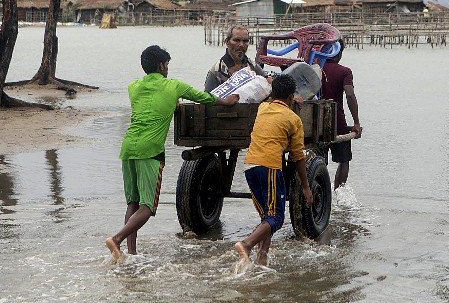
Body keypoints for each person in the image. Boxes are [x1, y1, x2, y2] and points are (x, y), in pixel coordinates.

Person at [106, 45, 238, 263]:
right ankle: (117, 239)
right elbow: (205, 97)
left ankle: (130, 253)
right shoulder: (173, 86)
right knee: (147, 208)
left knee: (133, 203)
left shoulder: (134, 87)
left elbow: (153, 105)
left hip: (128, 148)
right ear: (161, 65)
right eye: (167, 65)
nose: (168, 69)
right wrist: (227, 101)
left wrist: (171, 104)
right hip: (150, 151)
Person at [234, 74, 313, 266]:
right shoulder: (293, 119)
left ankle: (262, 257)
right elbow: (298, 157)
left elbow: (270, 99)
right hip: (268, 167)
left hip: (249, 166)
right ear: (291, 97)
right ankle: (246, 244)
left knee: (266, 217)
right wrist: (305, 186)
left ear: (272, 95)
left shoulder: (263, 108)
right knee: (276, 218)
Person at [320, 39, 361, 190]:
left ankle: (321, 190)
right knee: (344, 161)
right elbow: (350, 95)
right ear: (339, 52)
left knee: (318, 161)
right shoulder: (344, 71)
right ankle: (338, 191)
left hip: (316, 124)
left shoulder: (315, 69)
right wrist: (356, 123)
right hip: (338, 122)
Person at [205, 25, 269, 92]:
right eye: (237, 40)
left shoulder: (252, 65)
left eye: (245, 41)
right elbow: (208, 98)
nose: (241, 44)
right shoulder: (216, 71)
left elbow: (267, 81)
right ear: (227, 42)